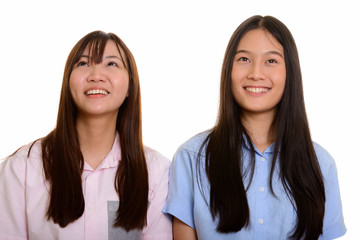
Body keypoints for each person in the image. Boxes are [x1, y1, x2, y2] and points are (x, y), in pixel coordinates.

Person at [163, 15, 346, 240]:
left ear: (290, 72)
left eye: (271, 61)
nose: (256, 74)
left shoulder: (320, 163)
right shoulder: (191, 157)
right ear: (228, 69)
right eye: (244, 59)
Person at [0, 31, 172, 239]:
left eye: (111, 64)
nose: (96, 75)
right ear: (67, 82)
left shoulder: (156, 172)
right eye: (83, 64)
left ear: (130, 87)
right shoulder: (23, 168)